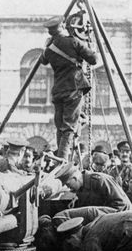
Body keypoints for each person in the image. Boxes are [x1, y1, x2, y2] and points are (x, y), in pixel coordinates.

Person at [39, 15, 97, 160]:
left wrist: (48, 44)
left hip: (58, 92)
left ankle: (60, 158)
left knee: (60, 127)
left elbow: (43, 60)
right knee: (69, 127)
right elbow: (93, 59)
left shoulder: (49, 49)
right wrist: (90, 46)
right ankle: (62, 162)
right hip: (73, 89)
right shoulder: (73, 42)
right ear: (63, 26)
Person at [55, 163, 132, 212]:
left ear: (75, 178)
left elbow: (121, 205)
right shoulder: (82, 187)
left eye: (68, 184)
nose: (69, 188)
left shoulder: (100, 181)